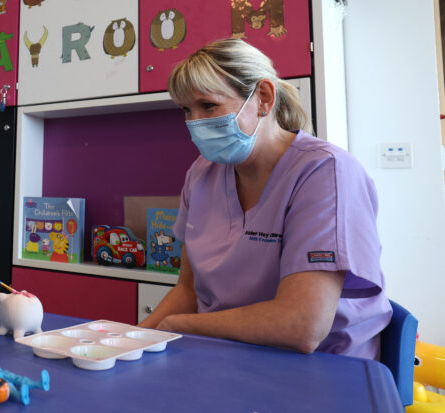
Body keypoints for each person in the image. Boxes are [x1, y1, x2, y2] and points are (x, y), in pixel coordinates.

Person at [139, 38, 392, 359]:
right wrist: (134, 338)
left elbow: (302, 326)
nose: (195, 123)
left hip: (323, 367)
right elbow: (188, 290)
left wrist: (180, 325)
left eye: (209, 106)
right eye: (186, 110)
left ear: (263, 98)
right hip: (227, 356)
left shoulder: (325, 172)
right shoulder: (201, 175)